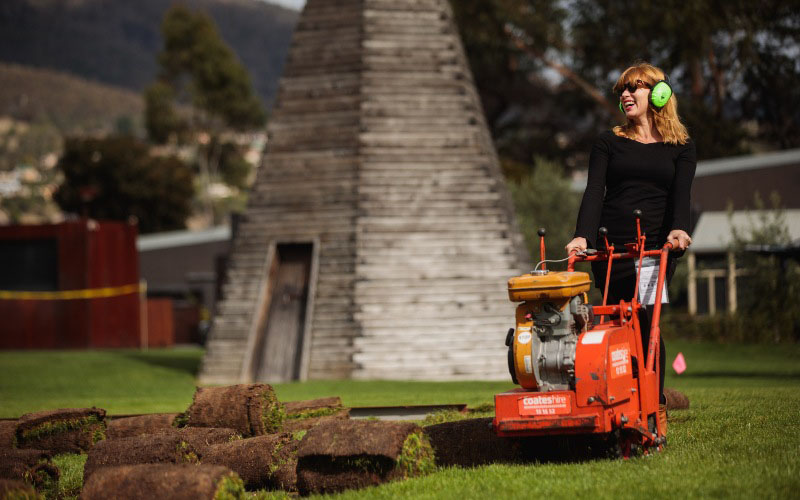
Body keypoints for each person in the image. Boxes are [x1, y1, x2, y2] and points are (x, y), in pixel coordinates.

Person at [565, 62, 696, 404]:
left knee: (647, 322)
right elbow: (594, 192)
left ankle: (652, 401)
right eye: (622, 89)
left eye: (633, 87)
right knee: (611, 324)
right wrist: (584, 237)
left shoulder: (681, 147)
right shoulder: (609, 142)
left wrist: (679, 230)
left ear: (658, 93)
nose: (625, 94)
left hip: (654, 249)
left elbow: (682, 196)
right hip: (612, 249)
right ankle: (613, 397)